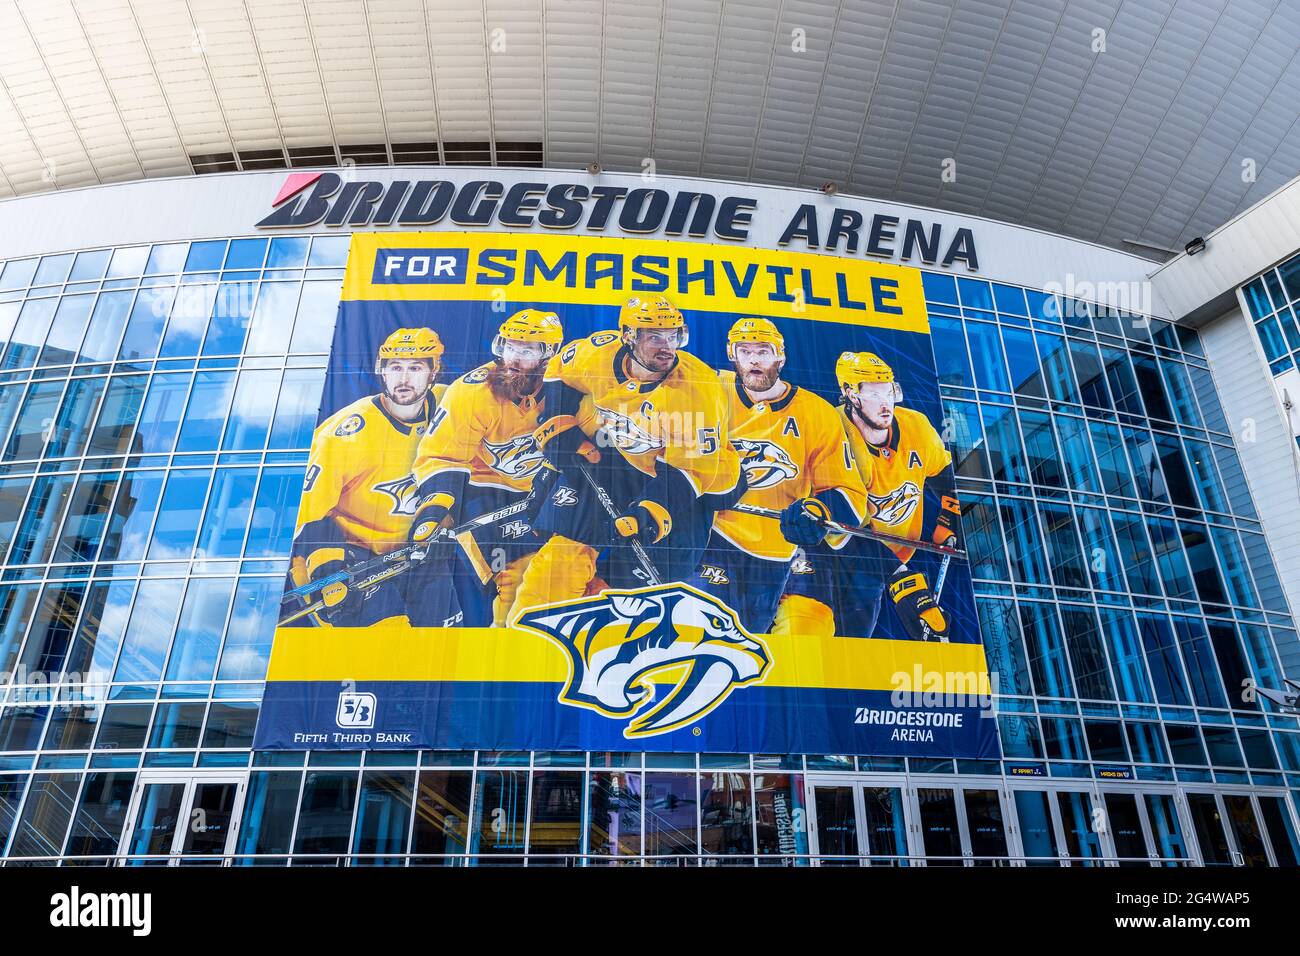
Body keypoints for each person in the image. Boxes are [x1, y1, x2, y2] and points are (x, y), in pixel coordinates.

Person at [509, 294, 743, 618]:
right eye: (654, 336)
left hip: (686, 481)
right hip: (615, 458)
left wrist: (647, 514)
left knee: (629, 594)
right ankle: (527, 633)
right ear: (628, 336)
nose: (667, 346)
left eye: (673, 335)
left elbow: (690, 470)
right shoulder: (598, 355)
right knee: (559, 563)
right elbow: (561, 370)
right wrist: (559, 422)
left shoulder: (697, 390)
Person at [691, 318, 867, 632]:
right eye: (744, 351)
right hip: (713, 535)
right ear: (733, 355)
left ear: (780, 357)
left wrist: (818, 510)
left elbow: (849, 494)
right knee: (703, 626)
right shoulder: (708, 390)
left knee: (750, 642)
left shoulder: (817, 412)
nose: (754, 359)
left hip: (774, 550)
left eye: (763, 351)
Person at [775, 351, 961, 641]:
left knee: (853, 652)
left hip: (877, 567)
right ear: (849, 393)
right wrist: (902, 580)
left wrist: (948, 519)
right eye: (874, 393)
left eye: (889, 392)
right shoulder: (833, 431)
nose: (886, 403)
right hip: (825, 549)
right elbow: (848, 529)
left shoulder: (917, 427)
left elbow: (945, 477)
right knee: (805, 633)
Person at [406, 308, 564, 626]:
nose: (513, 358)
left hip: (549, 488)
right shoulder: (472, 392)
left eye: (527, 350)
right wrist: (436, 509)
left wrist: (559, 475)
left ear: (549, 356)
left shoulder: (570, 387)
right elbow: (443, 456)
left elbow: (591, 444)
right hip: (484, 486)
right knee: (474, 576)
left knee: (544, 580)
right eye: (509, 346)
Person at [288, 327, 446, 626]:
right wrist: (328, 573)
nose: (404, 378)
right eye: (395, 367)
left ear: (433, 371)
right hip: (345, 558)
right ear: (382, 371)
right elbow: (305, 521)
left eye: (415, 367)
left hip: (412, 557)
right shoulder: (345, 436)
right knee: (387, 644)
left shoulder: (451, 405)